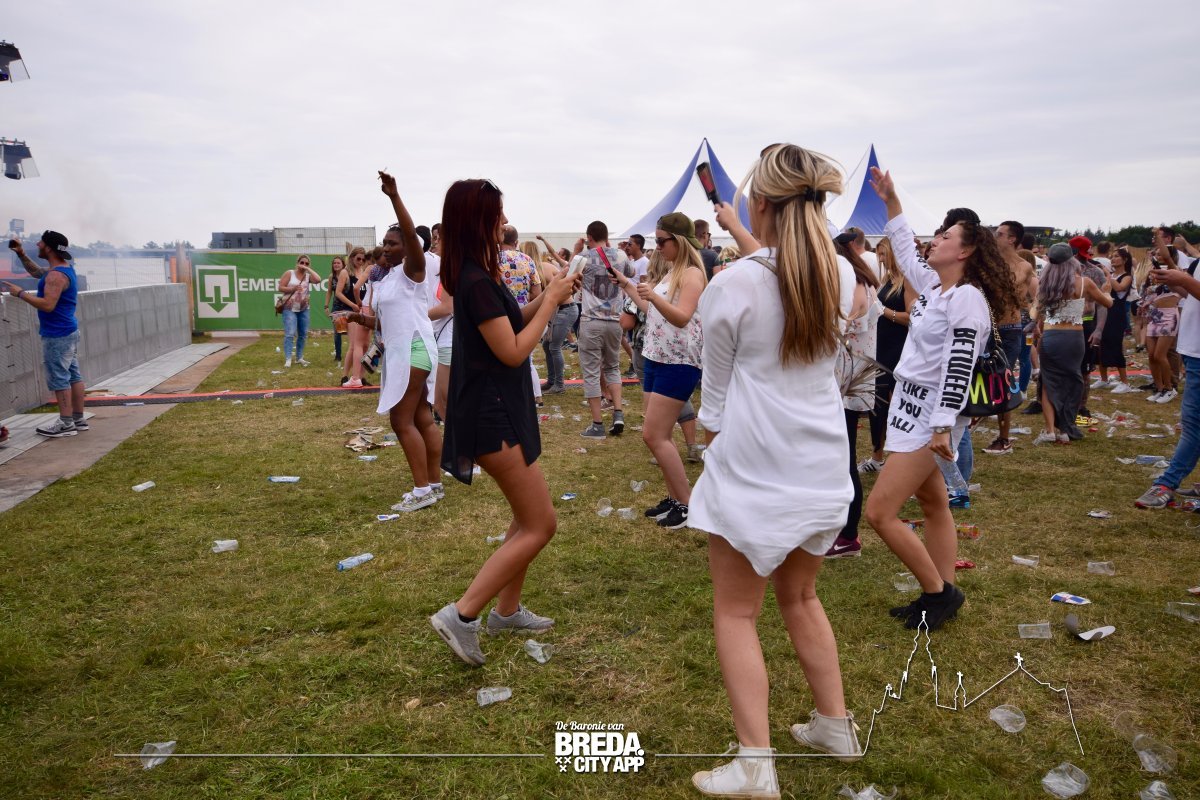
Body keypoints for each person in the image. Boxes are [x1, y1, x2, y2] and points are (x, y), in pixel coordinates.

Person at [688, 144, 859, 798]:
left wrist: (710, 445)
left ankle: (755, 765)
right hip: (822, 465)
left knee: (737, 613)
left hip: (757, 467)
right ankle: (835, 726)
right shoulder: (840, 273)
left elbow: (714, 397)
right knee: (802, 596)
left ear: (760, 203)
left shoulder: (735, 283)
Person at [429, 178, 581, 666]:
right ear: (479, 221)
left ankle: (507, 611)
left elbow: (512, 322)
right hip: (491, 414)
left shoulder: (481, 274)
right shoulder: (475, 280)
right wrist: (552, 303)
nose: (505, 221)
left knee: (524, 515)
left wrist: (550, 293)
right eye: (498, 214)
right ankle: (462, 614)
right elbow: (513, 351)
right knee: (541, 524)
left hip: (502, 407)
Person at [863, 167, 1020, 632]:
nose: (935, 239)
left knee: (880, 512)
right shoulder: (935, 287)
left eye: (946, 236)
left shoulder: (966, 299)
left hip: (932, 416)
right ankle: (938, 589)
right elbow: (905, 248)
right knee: (934, 505)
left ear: (965, 251)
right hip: (909, 406)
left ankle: (939, 593)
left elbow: (959, 366)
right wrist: (891, 200)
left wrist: (942, 425)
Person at [345, 172, 441, 512]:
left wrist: (394, 197)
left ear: (408, 248)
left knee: (401, 421)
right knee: (422, 418)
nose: (386, 248)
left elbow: (412, 237)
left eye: (393, 243)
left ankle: (422, 491)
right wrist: (360, 319)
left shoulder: (413, 271)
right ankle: (433, 484)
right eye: (384, 243)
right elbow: (388, 323)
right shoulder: (389, 279)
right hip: (405, 351)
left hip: (413, 351)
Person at [612, 213, 707, 530]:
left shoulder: (692, 274)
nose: (658, 247)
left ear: (678, 241)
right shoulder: (672, 271)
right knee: (659, 436)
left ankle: (687, 505)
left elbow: (682, 317)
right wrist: (628, 285)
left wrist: (652, 294)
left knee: (654, 435)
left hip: (678, 361)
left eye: (662, 241)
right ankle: (675, 498)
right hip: (656, 357)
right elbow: (652, 311)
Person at [826, 236, 881, 558]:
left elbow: (839, 328)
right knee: (838, 458)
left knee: (844, 461)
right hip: (849, 381)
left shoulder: (856, 286)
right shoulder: (862, 282)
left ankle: (848, 535)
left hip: (847, 384)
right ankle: (840, 528)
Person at [3, 232, 88, 437]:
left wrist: (20, 293)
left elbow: (48, 305)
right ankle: (78, 419)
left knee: (60, 378)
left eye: (40, 242)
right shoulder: (63, 270)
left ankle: (66, 424)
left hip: (57, 334)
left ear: (49, 248)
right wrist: (21, 254)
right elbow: (36, 272)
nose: (37, 244)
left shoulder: (55, 276)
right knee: (73, 376)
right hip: (68, 331)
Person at [1135, 259, 1200, 508]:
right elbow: (1192, 296)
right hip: (1193, 349)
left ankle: (1166, 484)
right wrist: (1176, 283)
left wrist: (1183, 279)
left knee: (1193, 424)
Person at [1032, 243, 1113, 444]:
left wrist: (1036, 318)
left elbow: (1035, 312)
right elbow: (1108, 303)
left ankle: (1050, 430)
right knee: (1072, 380)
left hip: (1052, 336)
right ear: (1072, 261)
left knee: (1048, 383)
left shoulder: (1045, 284)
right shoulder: (1084, 283)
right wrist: (1107, 291)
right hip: (1075, 337)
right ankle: (1065, 429)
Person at [981, 220, 1038, 456]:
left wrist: (1033, 319)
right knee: (978, 376)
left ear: (1012, 239)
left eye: (1000, 234)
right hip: (985, 327)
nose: (995, 237)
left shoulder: (1024, 267)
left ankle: (1003, 439)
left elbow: (1035, 295)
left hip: (1009, 329)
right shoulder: (988, 262)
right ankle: (972, 419)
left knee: (1002, 380)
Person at [857, 236, 913, 474]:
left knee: (896, 404)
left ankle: (899, 457)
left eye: (883, 254)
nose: (879, 259)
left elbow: (911, 317)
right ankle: (877, 456)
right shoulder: (887, 280)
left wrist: (884, 311)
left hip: (898, 348)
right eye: (878, 254)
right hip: (880, 347)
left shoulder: (908, 280)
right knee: (878, 404)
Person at [577, 221, 635, 439]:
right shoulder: (620, 255)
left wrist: (576, 251)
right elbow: (630, 273)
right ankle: (618, 412)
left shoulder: (583, 257)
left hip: (591, 320)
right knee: (612, 367)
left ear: (589, 237)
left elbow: (568, 276)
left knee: (592, 371)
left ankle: (597, 424)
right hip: (614, 319)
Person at [1140, 227, 1186, 403]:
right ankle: (1159, 388)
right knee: (1152, 356)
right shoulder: (1154, 274)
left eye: (1161, 254)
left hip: (1169, 316)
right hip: (1154, 315)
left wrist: (1157, 236)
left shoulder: (1176, 272)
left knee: (1161, 355)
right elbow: (1151, 295)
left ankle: (1169, 388)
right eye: (1156, 254)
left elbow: (1166, 256)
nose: (1158, 256)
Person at [1094, 247, 1135, 393]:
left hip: (1117, 315)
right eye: (1112, 256)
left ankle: (1125, 382)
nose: (1113, 259)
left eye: (1117, 256)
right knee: (1100, 345)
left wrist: (1106, 274)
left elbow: (1119, 288)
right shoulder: (1110, 275)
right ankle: (1103, 378)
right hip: (1104, 312)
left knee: (1115, 346)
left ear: (1125, 259)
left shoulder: (1127, 276)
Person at [279, 255, 322, 368]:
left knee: (303, 334)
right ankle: (288, 359)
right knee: (290, 333)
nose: (304, 264)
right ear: (297, 262)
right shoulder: (290, 273)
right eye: (302, 262)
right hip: (289, 308)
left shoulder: (307, 276)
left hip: (303, 309)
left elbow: (318, 280)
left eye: (307, 263)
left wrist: (308, 269)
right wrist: (292, 289)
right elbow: (280, 287)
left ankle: (299, 357)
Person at [339, 247, 371, 387]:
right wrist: (353, 304)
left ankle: (361, 377)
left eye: (363, 259)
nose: (361, 261)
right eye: (358, 258)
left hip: (364, 311)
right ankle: (345, 376)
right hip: (351, 312)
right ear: (352, 258)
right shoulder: (345, 272)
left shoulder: (364, 272)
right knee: (354, 345)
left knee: (365, 345)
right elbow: (338, 293)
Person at [324, 255, 349, 364]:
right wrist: (326, 306)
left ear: (343, 264)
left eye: (338, 263)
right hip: (336, 307)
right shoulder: (331, 277)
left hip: (348, 306)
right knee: (337, 332)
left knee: (351, 331)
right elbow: (329, 291)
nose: (336, 265)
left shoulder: (348, 275)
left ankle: (353, 354)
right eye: (334, 263)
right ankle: (338, 356)